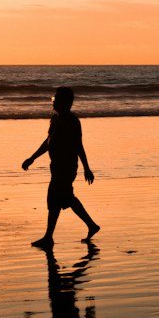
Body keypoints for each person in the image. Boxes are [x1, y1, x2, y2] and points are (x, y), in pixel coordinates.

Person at [22, 86, 99, 248]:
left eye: (56, 99)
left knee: (57, 199)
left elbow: (79, 146)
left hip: (67, 167)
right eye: (53, 99)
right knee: (62, 199)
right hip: (55, 166)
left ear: (66, 102)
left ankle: (49, 237)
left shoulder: (72, 121)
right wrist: (32, 158)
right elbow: (48, 142)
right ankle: (90, 226)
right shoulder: (55, 119)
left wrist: (87, 168)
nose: (53, 102)